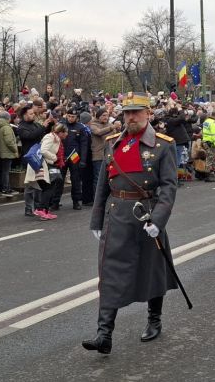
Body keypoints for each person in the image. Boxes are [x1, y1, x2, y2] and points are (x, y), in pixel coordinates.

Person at [83, 92, 179, 355]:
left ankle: (154, 319)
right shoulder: (112, 143)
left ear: (148, 113)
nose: (131, 117)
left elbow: (169, 187)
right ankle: (104, 334)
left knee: (152, 270)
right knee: (110, 273)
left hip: (145, 215)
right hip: (116, 215)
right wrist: (96, 219)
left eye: (136, 112)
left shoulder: (163, 145)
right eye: (127, 113)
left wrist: (158, 219)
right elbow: (103, 186)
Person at [62, 108, 90, 210]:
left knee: (75, 179)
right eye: (69, 116)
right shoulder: (61, 125)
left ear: (77, 117)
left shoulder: (80, 127)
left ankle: (76, 201)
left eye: (73, 117)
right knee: (59, 179)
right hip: (62, 155)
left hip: (75, 156)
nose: (70, 118)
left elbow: (84, 144)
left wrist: (83, 160)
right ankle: (54, 202)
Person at [0, 110, 19, 196]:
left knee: (2, 171)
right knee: (6, 171)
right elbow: (9, 141)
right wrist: (15, 149)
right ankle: (6, 188)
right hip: (7, 152)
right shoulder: (6, 127)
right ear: (8, 118)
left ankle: (2, 187)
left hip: (2, 152)